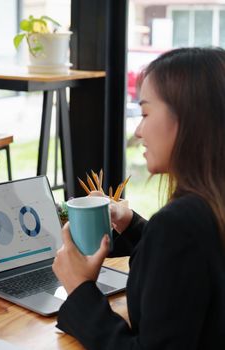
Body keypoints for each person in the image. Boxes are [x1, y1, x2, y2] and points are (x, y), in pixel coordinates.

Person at [52, 47, 225, 349]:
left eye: (145, 113)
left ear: (189, 119)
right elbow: (195, 261)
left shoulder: (179, 224)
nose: (138, 130)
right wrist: (133, 225)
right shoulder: (208, 208)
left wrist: (79, 289)